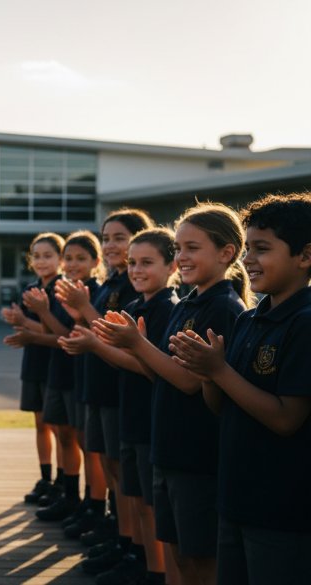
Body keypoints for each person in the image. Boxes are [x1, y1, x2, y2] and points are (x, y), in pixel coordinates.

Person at [94, 202, 252, 585]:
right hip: (170, 448)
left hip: (197, 457)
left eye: (191, 248)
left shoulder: (223, 307)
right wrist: (136, 347)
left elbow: (189, 381)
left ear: (226, 253)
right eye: (179, 248)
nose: (181, 256)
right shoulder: (191, 302)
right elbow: (159, 374)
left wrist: (136, 343)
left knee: (201, 562)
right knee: (180, 556)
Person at [170, 193, 311, 585]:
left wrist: (219, 369)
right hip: (235, 497)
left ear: (305, 256)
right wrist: (206, 371)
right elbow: (220, 406)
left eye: (262, 249)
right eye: (248, 248)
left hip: (282, 509)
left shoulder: (303, 323)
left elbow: (286, 418)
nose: (248, 259)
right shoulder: (250, 319)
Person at [62, 227, 180, 585]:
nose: (137, 269)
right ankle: (135, 554)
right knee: (131, 491)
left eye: (147, 262)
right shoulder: (135, 304)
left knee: (149, 503)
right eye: (133, 262)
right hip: (129, 408)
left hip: (148, 415)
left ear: (171, 265)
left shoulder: (166, 308)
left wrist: (94, 337)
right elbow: (121, 353)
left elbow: (146, 365)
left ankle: (153, 569)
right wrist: (91, 337)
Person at [29, 231, 103, 526]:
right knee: (63, 434)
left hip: (80, 374)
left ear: (95, 262)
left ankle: (93, 503)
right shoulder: (63, 288)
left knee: (86, 442)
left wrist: (39, 315)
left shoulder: (92, 291)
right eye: (69, 258)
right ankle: (70, 495)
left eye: (81, 259)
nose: (73, 264)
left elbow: (64, 332)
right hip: (58, 370)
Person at [2, 233, 62, 501]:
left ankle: (62, 481)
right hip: (34, 362)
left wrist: (24, 324)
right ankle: (45, 476)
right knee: (40, 425)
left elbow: (56, 331)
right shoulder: (28, 289)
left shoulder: (63, 290)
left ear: (59, 259)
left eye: (48, 255)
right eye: (36, 256)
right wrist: (16, 319)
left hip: (56, 364)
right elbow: (26, 326)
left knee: (58, 427)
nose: (41, 261)